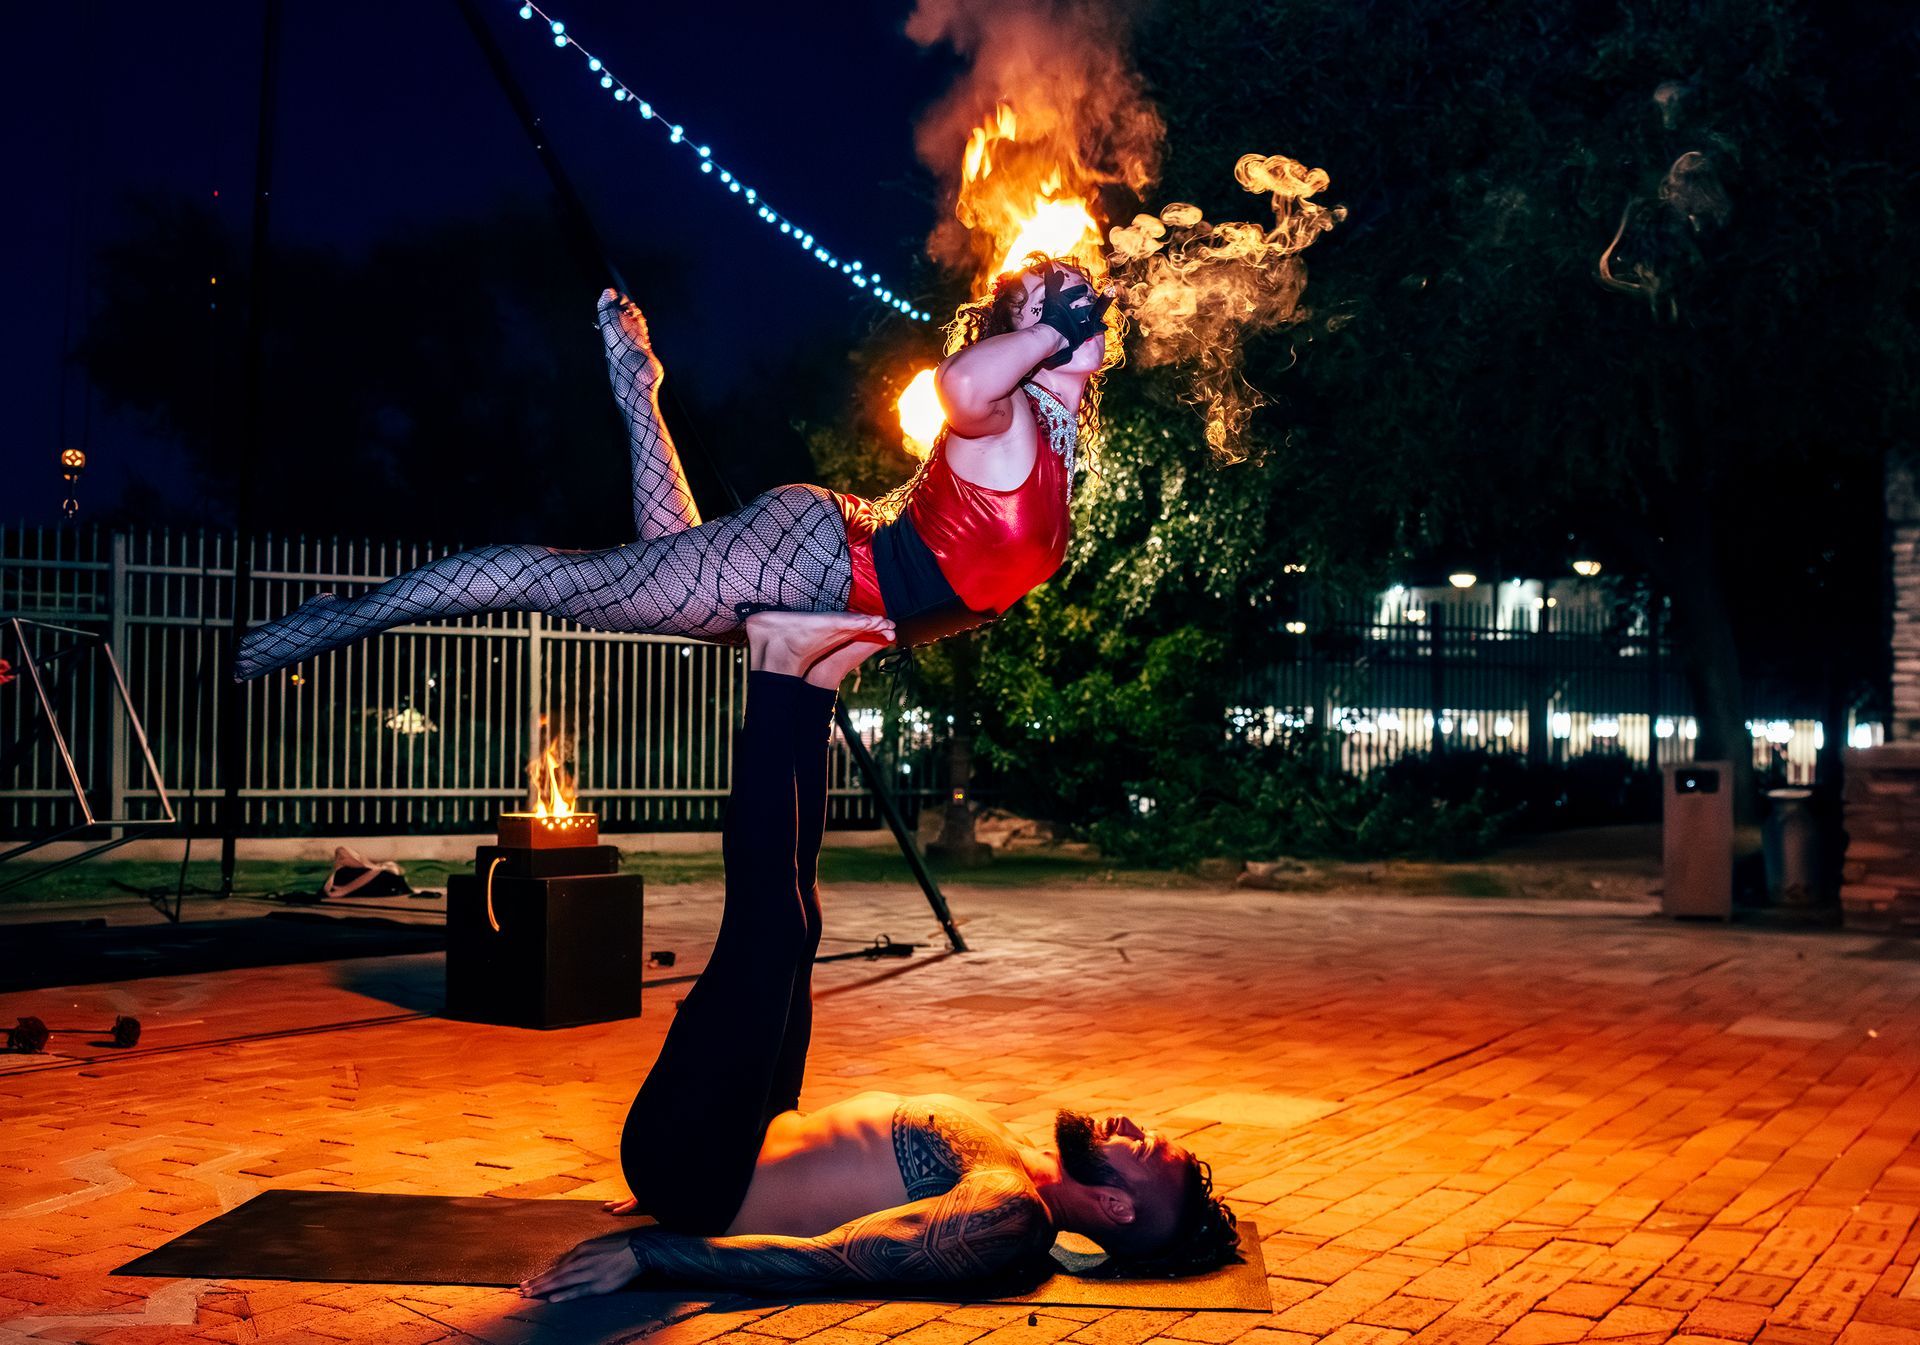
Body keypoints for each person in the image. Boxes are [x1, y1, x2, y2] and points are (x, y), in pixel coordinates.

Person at [517, 608, 1238, 1301]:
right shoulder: (1022, 1156)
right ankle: (814, 682)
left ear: (1114, 1205)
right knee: (801, 912)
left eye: (1142, 1150)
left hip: (702, 1168)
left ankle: (775, 662)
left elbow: (832, 1262)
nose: (1133, 1126)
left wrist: (651, 1252)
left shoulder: (1008, 1216)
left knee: (774, 928)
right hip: (738, 1130)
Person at [232, 259, 1114, 680]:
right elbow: (956, 381)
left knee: (669, 567)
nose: (1077, 304)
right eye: (1052, 299)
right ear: (1020, 337)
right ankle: (332, 621)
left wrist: (1049, 324)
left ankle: (635, 382)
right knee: (560, 584)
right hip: (817, 556)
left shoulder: (1054, 434)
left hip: (830, 584)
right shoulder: (1006, 410)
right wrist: (1045, 329)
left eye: (1079, 295)